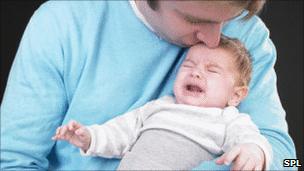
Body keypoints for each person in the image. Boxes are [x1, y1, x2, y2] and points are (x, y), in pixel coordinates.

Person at [1, 0, 296, 170]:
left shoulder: (248, 35)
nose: (215, 39)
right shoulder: (63, 22)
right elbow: (13, 161)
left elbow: (288, 163)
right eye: (195, 20)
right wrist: (87, 138)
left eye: (228, 20)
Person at [52, 37, 272, 170]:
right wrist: (88, 137)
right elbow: (119, 133)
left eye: (212, 70)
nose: (196, 73)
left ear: (235, 96)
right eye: (189, 66)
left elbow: (251, 139)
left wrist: (253, 151)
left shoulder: (228, 119)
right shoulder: (158, 108)